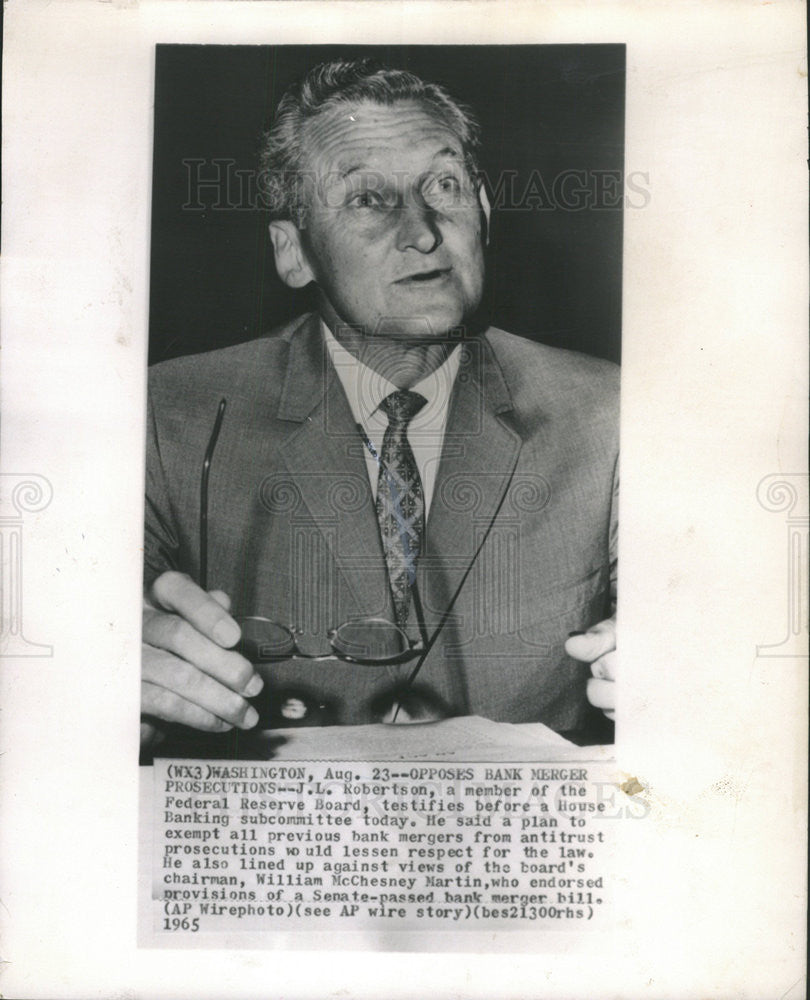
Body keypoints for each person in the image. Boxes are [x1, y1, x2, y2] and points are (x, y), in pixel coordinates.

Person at [141, 58, 618, 751]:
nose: (422, 231)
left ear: (483, 213)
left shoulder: (609, 415)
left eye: (443, 185)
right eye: (369, 198)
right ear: (293, 252)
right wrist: (104, 671)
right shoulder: (168, 416)